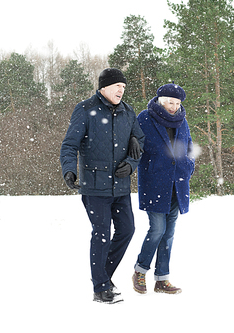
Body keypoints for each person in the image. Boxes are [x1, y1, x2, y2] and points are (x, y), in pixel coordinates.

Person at [60, 68, 145, 304]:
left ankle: (103, 277)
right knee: (101, 234)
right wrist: (69, 170)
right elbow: (69, 145)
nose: (121, 90)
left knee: (127, 230)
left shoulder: (128, 112)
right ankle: (100, 288)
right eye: (117, 85)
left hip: (121, 185)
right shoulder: (86, 109)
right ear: (103, 87)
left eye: (124, 87)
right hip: (94, 186)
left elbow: (140, 142)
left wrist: (131, 164)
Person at [132, 83, 195, 295]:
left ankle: (162, 279)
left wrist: (188, 166)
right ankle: (140, 271)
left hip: (178, 184)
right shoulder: (145, 118)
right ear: (160, 100)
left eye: (177, 103)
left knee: (168, 233)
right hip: (155, 183)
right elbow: (135, 147)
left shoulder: (182, 121)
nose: (174, 106)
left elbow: (189, 147)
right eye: (170, 102)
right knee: (157, 229)